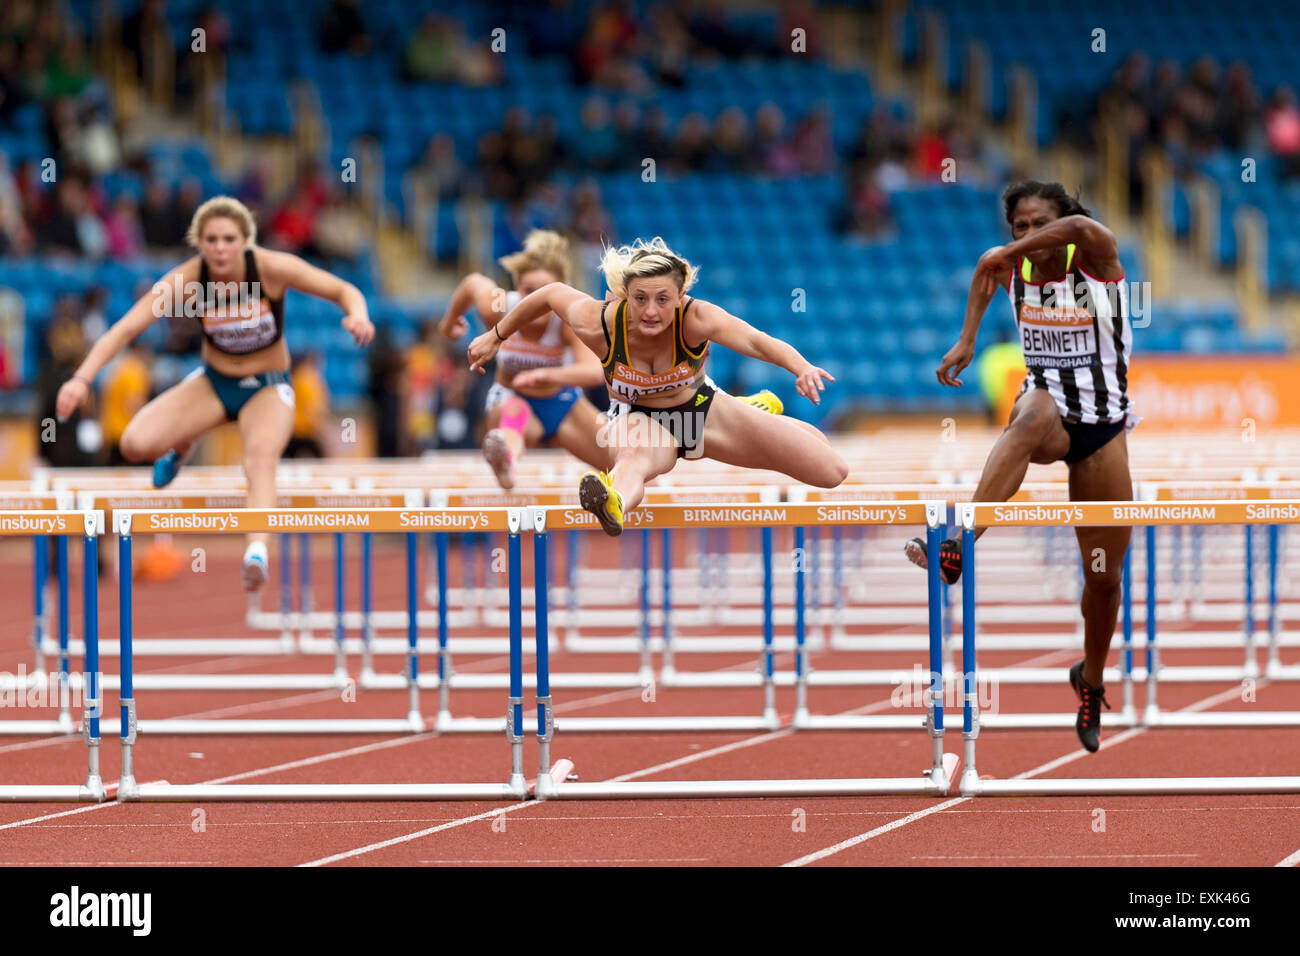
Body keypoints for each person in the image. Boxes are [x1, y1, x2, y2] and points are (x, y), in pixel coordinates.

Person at [905, 180, 1136, 754]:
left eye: (1039, 225)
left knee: (1104, 578)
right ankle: (959, 542)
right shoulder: (1013, 266)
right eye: (1019, 228)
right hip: (1048, 412)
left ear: (1062, 223)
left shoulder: (1095, 257)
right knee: (1028, 415)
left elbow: (1078, 229)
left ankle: (1091, 679)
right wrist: (967, 340)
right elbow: (987, 274)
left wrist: (1007, 249)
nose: (1029, 236)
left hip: (1102, 427)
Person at [55, 196, 374, 591]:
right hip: (213, 383)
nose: (220, 248)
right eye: (211, 240)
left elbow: (343, 289)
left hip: (266, 387)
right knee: (135, 444)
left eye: (228, 239)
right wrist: (81, 379)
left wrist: (358, 315)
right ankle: (183, 443)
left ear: (245, 241)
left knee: (259, 461)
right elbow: (126, 328)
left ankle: (256, 551)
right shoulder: (188, 279)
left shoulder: (271, 268)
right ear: (200, 243)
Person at [467, 237, 847, 529]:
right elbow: (549, 295)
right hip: (640, 419)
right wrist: (496, 336)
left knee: (831, 471)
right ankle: (613, 501)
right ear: (625, 296)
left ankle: (750, 408)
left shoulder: (696, 317)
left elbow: (754, 340)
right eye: (640, 299)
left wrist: (801, 367)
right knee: (633, 458)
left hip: (701, 412)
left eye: (663, 300)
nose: (650, 311)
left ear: (681, 297)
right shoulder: (601, 322)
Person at [439, 229, 612, 489]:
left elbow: (593, 371)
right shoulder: (499, 307)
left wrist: (544, 375)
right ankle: (505, 461)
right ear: (517, 288)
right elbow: (473, 282)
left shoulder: (567, 320)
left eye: (543, 293)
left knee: (625, 465)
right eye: (528, 291)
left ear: (558, 293)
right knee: (515, 413)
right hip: (511, 401)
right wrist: (449, 322)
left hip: (562, 402)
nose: (535, 302)